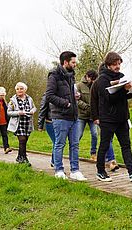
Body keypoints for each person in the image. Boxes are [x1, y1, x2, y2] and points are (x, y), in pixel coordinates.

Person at [93, 51, 132, 182]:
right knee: (104, 145)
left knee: (126, 145)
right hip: (108, 118)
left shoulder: (121, 76)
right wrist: (123, 90)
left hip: (122, 117)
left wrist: (129, 90)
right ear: (108, 64)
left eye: (119, 63)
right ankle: (100, 171)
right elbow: (109, 98)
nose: (118, 66)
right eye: (115, 64)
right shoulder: (102, 80)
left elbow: (124, 96)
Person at [46, 51, 87, 181]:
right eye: (73, 62)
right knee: (60, 144)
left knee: (75, 144)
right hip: (60, 116)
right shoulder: (54, 76)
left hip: (74, 116)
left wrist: (74, 97)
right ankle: (59, 170)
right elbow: (50, 96)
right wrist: (66, 103)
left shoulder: (71, 76)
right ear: (65, 62)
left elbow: (68, 93)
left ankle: (75, 170)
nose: (75, 64)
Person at [90, 71, 120, 172]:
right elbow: (93, 102)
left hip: (110, 116)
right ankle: (107, 162)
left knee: (107, 140)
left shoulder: (108, 83)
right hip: (101, 117)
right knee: (105, 141)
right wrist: (95, 117)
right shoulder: (95, 85)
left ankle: (110, 160)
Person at [7, 82, 36, 165]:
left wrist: (32, 111)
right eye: (17, 89)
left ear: (25, 90)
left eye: (21, 88)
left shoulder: (29, 99)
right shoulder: (12, 100)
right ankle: (24, 159)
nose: (19, 90)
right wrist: (18, 113)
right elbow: (8, 112)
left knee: (25, 141)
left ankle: (20, 157)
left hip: (27, 123)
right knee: (22, 140)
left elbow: (34, 107)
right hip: (18, 124)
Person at [77, 70, 98, 161]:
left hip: (92, 116)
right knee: (79, 135)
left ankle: (93, 153)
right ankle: (74, 152)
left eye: (94, 79)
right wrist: (85, 107)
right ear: (87, 77)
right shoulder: (79, 86)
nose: (93, 81)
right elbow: (76, 100)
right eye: (92, 79)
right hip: (81, 115)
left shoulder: (95, 85)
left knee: (95, 134)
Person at [38, 93, 55, 167]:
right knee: (56, 141)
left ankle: (54, 161)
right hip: (50, 122)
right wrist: (40, 125)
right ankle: (55, 162)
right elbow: (42, 110)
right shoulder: (47, 96)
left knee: (59, 142)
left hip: (61, 122)